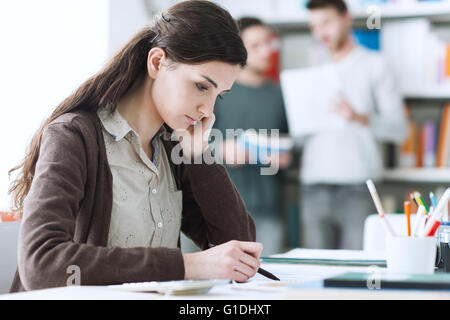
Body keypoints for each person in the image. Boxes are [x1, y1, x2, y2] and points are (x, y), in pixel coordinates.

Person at [8, 0, 263, 292]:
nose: (208, 110)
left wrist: (199, 155)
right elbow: (42, 265)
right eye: (202, 86)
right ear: (157, 62)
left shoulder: (174, 146)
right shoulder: (73, 136)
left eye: (220, 95)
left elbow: (239, 247)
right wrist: (187, 266)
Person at [299, 0, 408, 249]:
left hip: (359, 186)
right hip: (312, 184)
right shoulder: (309, 72)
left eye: (326, 22)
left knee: (360, 269)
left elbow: (399, 129)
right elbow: (301, 136)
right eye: (313, 26)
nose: (320, 33)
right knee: (315, 270)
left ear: (346, 18)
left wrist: (358, 117)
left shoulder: (376, 65)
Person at [213, 17, 291, 256]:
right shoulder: (216, 92)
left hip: (268, 209)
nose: (267, 51)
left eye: (269, 43)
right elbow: (187, 145)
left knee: (268, 284)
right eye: (256, 45)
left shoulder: (281, 95)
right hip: (219, 211)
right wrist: (221, 151)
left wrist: (287, 158)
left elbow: (290, 145)